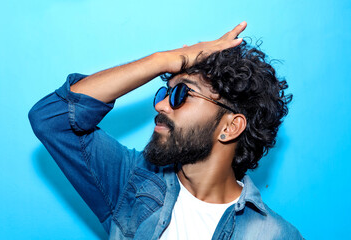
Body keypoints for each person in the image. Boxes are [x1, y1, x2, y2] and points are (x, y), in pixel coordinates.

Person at [29, 21, 304, 239]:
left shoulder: (278, 235)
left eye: (182, 94)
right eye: (165, 91)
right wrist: (164, 59)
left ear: (230, 127)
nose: (160, 105)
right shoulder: (132, 183)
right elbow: (51, 119)